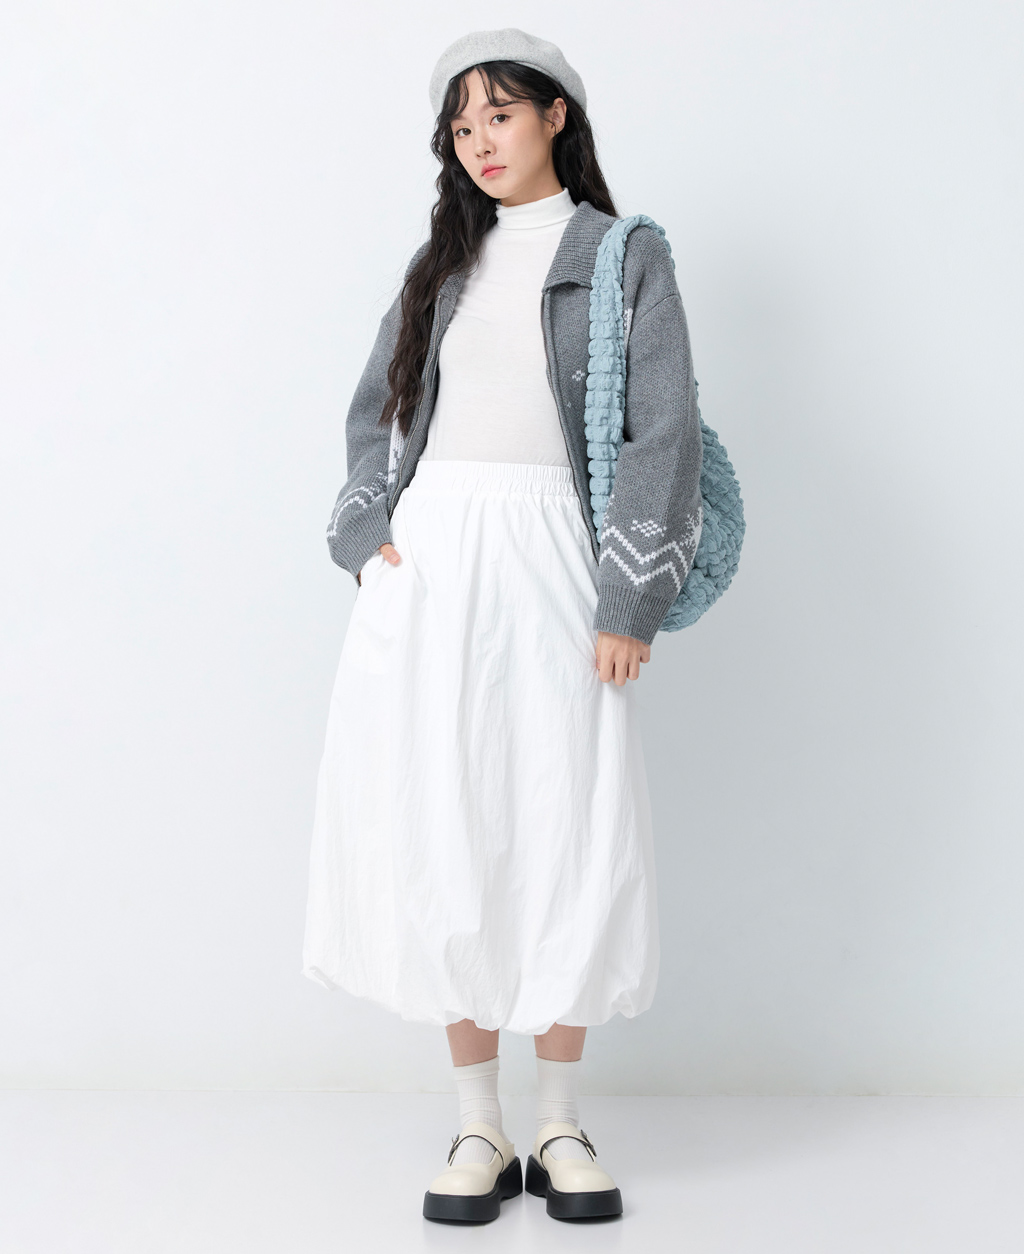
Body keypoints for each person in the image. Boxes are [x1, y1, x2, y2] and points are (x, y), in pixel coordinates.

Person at [302, 27, 703, 1224]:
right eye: (461, 125)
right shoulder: (442, 264)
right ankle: (479, 1124)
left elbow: (662, 430)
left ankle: (559, 1122)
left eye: (500, 114)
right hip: (432, 564)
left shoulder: (622, 255)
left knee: (566, 821)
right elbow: (377, 409)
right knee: (447, 820)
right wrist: (367, 536)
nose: (479, 140)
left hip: (555, 559)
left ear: (555, 117)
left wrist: (629, 598)